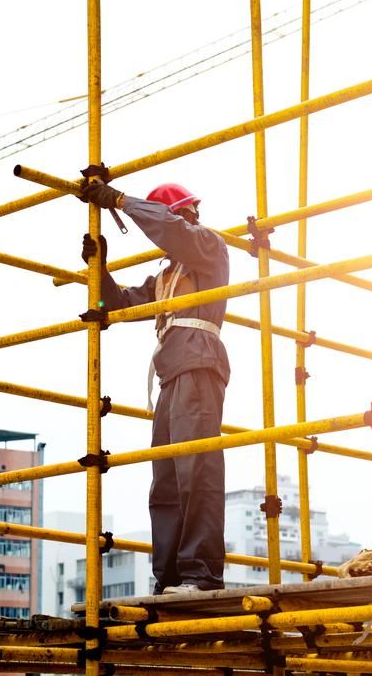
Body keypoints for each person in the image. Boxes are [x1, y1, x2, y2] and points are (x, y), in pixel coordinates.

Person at [80, 180, 229, 594]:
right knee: (166, 478)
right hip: (171, 373)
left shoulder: (207, 249)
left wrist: (124, 203)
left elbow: (173, 231)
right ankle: (171, 577)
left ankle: (202, 574)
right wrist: (100, 271)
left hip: (197, 363)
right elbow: (117, 307)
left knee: (195, 467)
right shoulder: (166, 277)